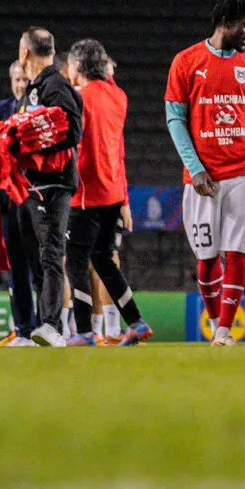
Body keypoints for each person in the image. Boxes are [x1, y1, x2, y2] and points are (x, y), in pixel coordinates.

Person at [166, 0, 245, 346]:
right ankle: (216, 325)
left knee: (237, 252)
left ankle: (226, 330)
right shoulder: (186, 61)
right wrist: (195, 168)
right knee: (207, 258)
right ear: (226, 22)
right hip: (204, 179)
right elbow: (175, 120)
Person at [63, 39, 152, 346]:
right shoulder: (118, 96)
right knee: (103, 259)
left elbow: (69, 146)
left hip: (86, 195)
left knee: (74, 261)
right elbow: (118, 149)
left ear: (77, 65)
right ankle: (137, 322)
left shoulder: (77, 99)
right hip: (113, 194)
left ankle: (85, 332)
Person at [13, 27, 84, 347]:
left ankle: (54, 326)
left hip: (53, 184)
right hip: (33, 184)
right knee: (39, 257)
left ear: (24, 52)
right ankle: (41, 325)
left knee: (53, 254)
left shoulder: (54, 84)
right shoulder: (37, 88)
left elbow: (73, 127)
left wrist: (38, 138)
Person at [0, 62, 38, 345]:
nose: (21, 85)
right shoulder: (1, 110)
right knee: (15, 266)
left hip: (33, 199)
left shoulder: (39, 109)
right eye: (17, 80)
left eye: (25, 79)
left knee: (41, 265)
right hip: (8, 201)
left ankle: (47, 325)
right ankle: (22, 329)